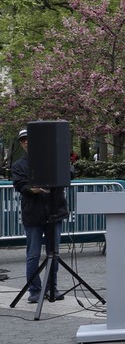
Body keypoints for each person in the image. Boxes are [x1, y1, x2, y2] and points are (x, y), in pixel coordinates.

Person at [11, 128, 68, 302]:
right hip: (33, 215)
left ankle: (52, 288)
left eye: (29, 139)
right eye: (23, 140)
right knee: (33, 255)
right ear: (21, 144)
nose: (26, 142)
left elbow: (69, 173)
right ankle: (34, 291)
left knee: (54, 253)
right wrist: (36, 188)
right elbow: (22, 186)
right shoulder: (19, 165)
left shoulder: (52, 158)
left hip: (54, 213)